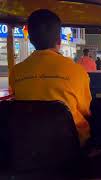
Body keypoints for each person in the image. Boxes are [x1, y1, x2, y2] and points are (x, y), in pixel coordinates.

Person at [9, 9, 92, 145]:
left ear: (30, 39)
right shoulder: (76, 71)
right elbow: (86, 110)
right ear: (59, 39)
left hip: (28, 145)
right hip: (70, 145)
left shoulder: (16, 71)